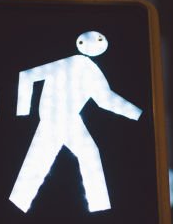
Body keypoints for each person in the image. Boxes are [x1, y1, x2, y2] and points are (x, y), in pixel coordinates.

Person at [9, 30, 142, 213]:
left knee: (68, 156)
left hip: (64, 118)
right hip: (56, 117)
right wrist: (22, 111)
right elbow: (27, 75)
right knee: (52, 158)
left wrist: (136, 113)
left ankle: (99, 208)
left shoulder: (89, 70)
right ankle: (99, 209)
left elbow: (105, 99)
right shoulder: (71, 65)